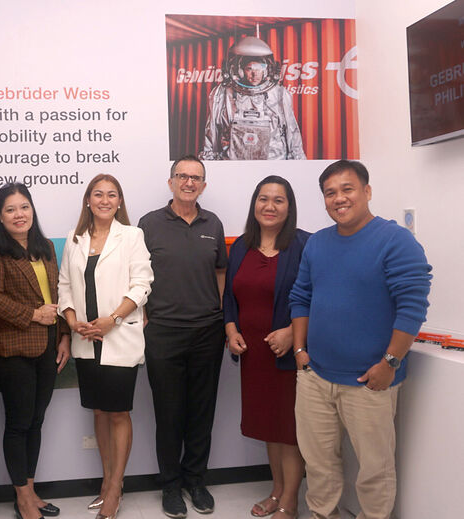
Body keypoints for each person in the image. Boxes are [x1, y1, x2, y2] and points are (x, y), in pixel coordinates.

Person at [290, 160, 432, 519]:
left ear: (367, 192)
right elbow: (301, 297)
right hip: (316, 377)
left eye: (347, 189)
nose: (339, 198)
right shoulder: (317, 243)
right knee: (318, 464)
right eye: (330, 193)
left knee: (374, 470)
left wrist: (390, 363)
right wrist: (300, 351)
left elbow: (412, 307)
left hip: (371, 381)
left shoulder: (395, 240)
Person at [57, 174, 153, 519]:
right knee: (98, 411)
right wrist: (71, 322)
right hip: (86, 340)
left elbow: (143, 284)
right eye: (98, 194)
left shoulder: (132, 236)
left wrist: (112, 319)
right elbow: (64, 286)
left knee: (117, 412)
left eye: (112, 195)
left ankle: (115, 487)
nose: (105, 200)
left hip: (119, 336)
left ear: (119, 202)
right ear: (88, 200)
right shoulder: (74, 238)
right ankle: (106, 480)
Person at [137, 156, 227, 516]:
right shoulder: (148, 224)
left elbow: (220, 270)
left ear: (203, 185)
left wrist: (217, 310)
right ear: (171, 182)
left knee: (202, 412)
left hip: (207, 331)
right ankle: (170, 486)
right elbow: (136, 275)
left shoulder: (213, 223)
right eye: (183, 176)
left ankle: (195, 480)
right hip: (163, 333)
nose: (189, 182)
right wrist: (144, 316)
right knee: (169, 414)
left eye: (196, 178)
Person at [0, 183, 71, 519]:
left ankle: (31, 491)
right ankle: (22, 497)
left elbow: (58, 294)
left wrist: (63, 336)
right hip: (13, 350)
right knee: (19, 424)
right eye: (10, 209)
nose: (19, 215)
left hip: (48, 347)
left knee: (36, 421)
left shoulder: (45, 246)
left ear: (32, 210)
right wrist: (33, 314)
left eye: (24, 207)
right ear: (0, 217)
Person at [222, 177, 309, 519]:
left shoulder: (304, 245)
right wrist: (230, 329)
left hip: (288, 355)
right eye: (263, 199)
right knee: (268, 428)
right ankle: (276, 490)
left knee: (288, 431)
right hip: (254, 356)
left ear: (290, 207)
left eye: (279, 200)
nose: (270, 206)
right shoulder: (241, 246)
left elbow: (318, 297)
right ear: (254, 204)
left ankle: (290, 499)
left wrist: (291, 332)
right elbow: (229, 296)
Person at [200, 35, 305, 161]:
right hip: (234, 164)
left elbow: (292, 132)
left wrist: (298, 162)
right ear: (240, 71)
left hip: (273, 163)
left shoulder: (279, 94)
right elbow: (212, 131)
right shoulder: (222, 94)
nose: (255, 74)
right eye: (249, 69)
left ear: (266, 71)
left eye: (259, 68)